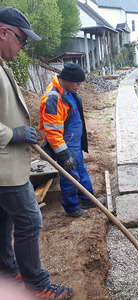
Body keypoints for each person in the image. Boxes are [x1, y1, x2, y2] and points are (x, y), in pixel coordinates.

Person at [0, 6, 72, 299]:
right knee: (30, 221)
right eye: (21, 39)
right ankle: (38, 286)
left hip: (8, 164)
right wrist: (11, 134)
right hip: (6, 168)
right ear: (3, 32)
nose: (24, 46)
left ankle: (7, 268)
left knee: (4, 220)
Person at [39, 63, 95, 217]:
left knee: (81, 169)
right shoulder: (53, 98)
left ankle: (88, 199)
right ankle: (71, 208)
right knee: (70, 175)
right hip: (66, 143)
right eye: (77, 83)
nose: (78, 87)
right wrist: (63, 155)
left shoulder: (68, 91)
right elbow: (52, 132)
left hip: (75, 142)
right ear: (68, 80)